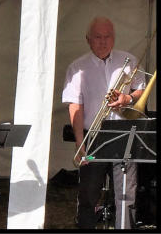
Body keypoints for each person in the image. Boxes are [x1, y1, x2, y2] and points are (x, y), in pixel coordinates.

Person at [62, 17, 145, 229]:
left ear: (114, 38)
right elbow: (75, 106)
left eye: (107, 36)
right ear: (88, 39)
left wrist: (128, 98)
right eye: (98, 37)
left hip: (123, 136)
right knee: (88, 194)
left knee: (126, 195)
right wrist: (80, 142)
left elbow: (140, 89)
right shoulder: (77, 67)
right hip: (93, 138)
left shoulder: (129, 60)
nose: (103, 41)